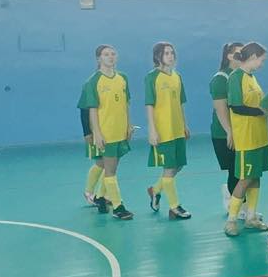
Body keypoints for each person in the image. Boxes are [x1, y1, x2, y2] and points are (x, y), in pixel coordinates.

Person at [78, 45, 135, 220]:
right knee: (110, 169)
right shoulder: (93, 82)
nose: (110, 57)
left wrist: (129, 125)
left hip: (120, 130)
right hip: (106, 131)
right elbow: (91, 109)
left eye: (113, 54)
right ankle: (118, 207)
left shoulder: (123, 78)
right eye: (106, 54)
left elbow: (126, 104)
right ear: (99, 59)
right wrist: (95, 133)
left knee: (106, 165)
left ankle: (100, 197)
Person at [223, 43, 268, 237]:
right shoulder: (236, 77)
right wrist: (262, 111)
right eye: (262, 60)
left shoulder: (252, 78)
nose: (262, 64)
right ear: (252, 57)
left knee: (256, 176)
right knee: (245, 179)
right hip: (247, 137)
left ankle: (251, 217)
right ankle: (231, 220)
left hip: (260, 136)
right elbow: (236, 106)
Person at [144, 42, 192, 220]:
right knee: (169, 168)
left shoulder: (177, 77)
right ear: (158, 56)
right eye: (166, 53)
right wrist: (152, 130)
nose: (170, 56)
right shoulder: (152, 77)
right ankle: (174, 207)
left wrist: (184, 125)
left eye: (172, 53)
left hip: (177, 129)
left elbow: (180, 103)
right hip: (163, 130)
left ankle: (155, 190)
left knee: (178, 165)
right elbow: (149, 105)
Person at [210, 42, 246, 215]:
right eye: (239, 53)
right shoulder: (221, 78)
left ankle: (235, 198)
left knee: (242, 169)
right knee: (235, 170)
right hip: (224, 133)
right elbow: (220, 108)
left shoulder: (241, 76)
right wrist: (229, 131)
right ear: (229, 56)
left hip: (242, 130)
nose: (242, 57)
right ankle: (237, 206)